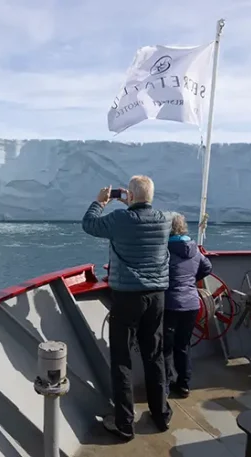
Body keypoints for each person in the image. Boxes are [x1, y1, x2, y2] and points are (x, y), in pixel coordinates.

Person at [81, 175, 172, 441]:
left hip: (127, 297)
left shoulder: (121, 219)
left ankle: (124, 423)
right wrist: (132, 201)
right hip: (156, 297)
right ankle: (161, 414)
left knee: (122, 360)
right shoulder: (165, 219)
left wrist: (100, 202)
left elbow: (89, 224)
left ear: (129, 197)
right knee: (154, 355)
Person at [164, 213, 212, 397]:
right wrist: (191, 281)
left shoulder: (164, 249)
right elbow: (207, 267)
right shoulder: (194, 249)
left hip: (169, 303)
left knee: (165, 347)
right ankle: (184, 385)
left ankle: (166, 385)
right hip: (191, 304)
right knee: (183, 345)